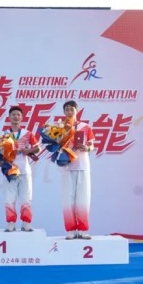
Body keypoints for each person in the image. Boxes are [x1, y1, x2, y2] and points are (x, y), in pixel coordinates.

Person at [59, 100, 95, 239]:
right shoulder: (59, 127)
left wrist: (87, 148)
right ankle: (70, 230)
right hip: (67, 166)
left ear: (77, 110)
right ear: (64, 112)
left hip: (82, 165)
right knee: (68, 199)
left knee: (83, 198)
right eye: (66, 109)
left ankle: (83, 229)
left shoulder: (85, 127)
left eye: (71, 109)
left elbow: (92, 145)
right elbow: (55, 144)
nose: (69, 111)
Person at [3, 106, 40, 232]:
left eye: (18, 115)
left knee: (26, 198)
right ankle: (11, 222)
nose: (16, 117)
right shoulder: (4, 135)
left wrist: (27, 150)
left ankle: (26, 222)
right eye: (13, 114)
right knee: (9, 199)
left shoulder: (28, 134)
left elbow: (38, 148)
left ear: (22, 117)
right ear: (9, 117)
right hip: (9, 170)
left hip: (24, 170)